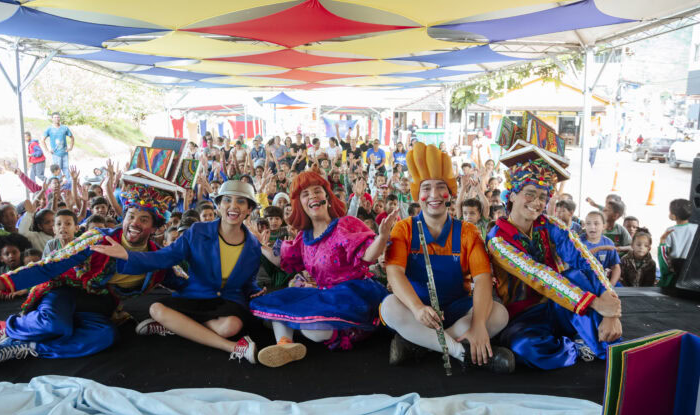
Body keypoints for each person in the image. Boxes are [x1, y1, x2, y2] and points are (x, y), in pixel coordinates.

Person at [0, 186, 187, 368]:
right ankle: (7, 328)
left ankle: (28, 345)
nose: (134, 223)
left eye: (143, 219)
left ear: (156, 228)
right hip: (65, 292)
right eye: (131, 215)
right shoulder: (97, 240)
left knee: (105, 337)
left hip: (98, 308)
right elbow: (48, 266)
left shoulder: (159, 262)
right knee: (55, 323)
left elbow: (186, 285)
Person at [91, 180, 263, 364]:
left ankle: (176, 326)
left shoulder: (253, 246)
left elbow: (249, 281)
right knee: (156, 309)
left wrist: (255, 290)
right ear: (219, 204)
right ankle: (233, 347)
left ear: (249, 209)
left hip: (228, 299)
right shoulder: (197, 231)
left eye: (241, 201)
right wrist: (128, 255)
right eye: (227, 199)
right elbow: (166, 256)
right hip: (196, 296)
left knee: (231, 326)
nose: (233, 206)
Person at [380, 142, 514, 373]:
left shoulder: (468, 231)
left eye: (440, 187)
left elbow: (483, 279)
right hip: (418, 311)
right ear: (417, 194)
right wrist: (417, 308)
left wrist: (479, 324)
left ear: (450, 193)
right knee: (389, 306)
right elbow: (394, 272)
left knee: (500, 314)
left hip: (458, 310)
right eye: (426, 188)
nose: (433, 195)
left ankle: (419, 345)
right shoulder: (403, 228)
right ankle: (460, 352)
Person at [486, 149, 623, 370]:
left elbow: (585, 259)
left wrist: (610, 306)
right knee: (525, 348)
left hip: (563, 306)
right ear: (512, 195)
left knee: (577, 274)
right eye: (530, 193)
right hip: (525, 317)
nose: (537, 202)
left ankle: (611, 349)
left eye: (543, 196)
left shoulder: (551, 225)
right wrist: (597, 304)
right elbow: (539, 275)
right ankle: (578, 347)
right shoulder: (498, 240)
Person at [250, 170, 397, 367]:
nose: (312, 196)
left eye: (317, 191)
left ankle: (337, 331)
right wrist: (260, 244)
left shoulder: (345, 224)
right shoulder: (304, 237)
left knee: (314, 330)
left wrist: (382, 237)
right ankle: (284, 345)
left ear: (327, 197)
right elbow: (281, 260)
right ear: (300, 205)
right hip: (323, 294)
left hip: (353, 295)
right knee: (279, 301)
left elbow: (367, 256)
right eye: (305, 194)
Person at [658, 198, 699, 287]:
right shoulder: (696, 228)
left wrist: (662, 242)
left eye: (670, 212)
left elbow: (664, 253)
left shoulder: (670, 231)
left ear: (674, 215)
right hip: (691, 269)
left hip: (675, 269)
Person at [581, 211, 622, 286]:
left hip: (604, 281)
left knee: (619, 288)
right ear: (585, 226)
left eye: (596, 223)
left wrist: (611, 285)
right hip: (583, 281)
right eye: (588, 223)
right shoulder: (578, 241)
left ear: (603, 226)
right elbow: (578, 261)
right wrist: (600, 248)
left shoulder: (608, 242)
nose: (592, 227)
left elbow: (616, 267)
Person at [42, 112, 74, 177]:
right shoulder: (49, 129)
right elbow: (42, 140)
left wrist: (70, 147)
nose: (57, 119)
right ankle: (58, 185)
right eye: (55, 117)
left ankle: (68, 185)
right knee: (57, 171)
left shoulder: (64, 128)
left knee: (66, 171)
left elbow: (72, 137)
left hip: (65, 153)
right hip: (56, 154)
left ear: (59, 118)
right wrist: (47, 150)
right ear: (52, 119)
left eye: (58, 117)